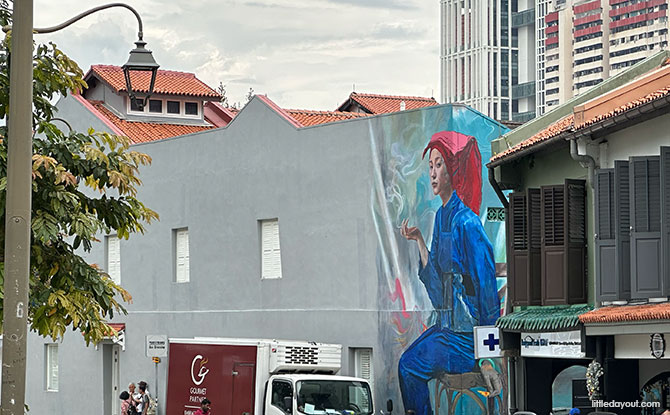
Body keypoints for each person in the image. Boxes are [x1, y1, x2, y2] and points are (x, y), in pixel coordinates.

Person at [398, 130, 500, 415]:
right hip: (446, 331)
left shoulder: (467, 223)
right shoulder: (442, 217)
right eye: (430, 166)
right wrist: (419, 240)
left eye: (438, 164)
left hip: (464, 340)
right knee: (408, 363)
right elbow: (436, 290)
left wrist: (487, 358)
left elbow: (488, 295)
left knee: (408, 365)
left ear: (452, 171)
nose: (432, 173)